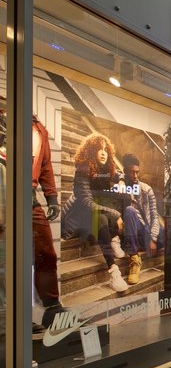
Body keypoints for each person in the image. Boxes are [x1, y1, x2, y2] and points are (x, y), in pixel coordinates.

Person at [62, 133, 129, 292]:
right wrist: (115, 214)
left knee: (122, 198)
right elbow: (86, 203)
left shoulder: (104, 168)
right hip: (76, 219)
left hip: (91, 214)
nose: (104, 152)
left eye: (106, 149)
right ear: (91, 151)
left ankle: (113, 238)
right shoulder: (82, 171)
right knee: (103, 219)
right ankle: (114, 272)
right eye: (99, 149)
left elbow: (119, 174)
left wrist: (121, 181)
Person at [31, 116, 66, 327]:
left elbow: (45, 166)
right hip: (4, 190)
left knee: (46, 252)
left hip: (29, 197)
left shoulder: (38, 128)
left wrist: (51, 197)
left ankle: (52, 305)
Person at [120, 153, 163, 285]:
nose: (135, 176)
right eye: (131, 172)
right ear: (125, 171)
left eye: (137, 172)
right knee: (129, 210)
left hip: (147, 230)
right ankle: (134, 260)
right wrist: (121, 180)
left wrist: (153, 238)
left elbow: (155, 216)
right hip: (133, 232)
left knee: (169, 231)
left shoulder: (146, 189)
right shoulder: (121, 188)